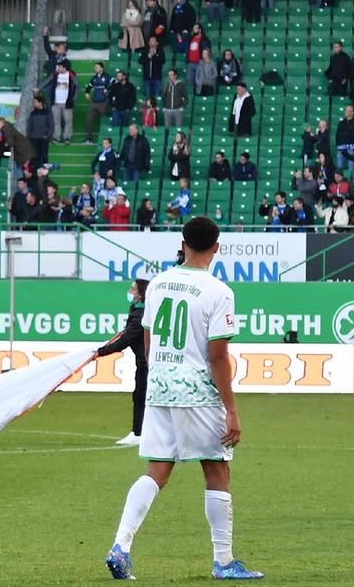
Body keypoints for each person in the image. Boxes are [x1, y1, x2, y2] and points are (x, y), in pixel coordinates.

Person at [104, 217, 262, 582]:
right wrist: (232, 410)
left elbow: (147, 340)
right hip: (197, 392)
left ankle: (120, 546)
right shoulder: (217, 290)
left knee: (156, 471)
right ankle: (223, 562)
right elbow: (218, 356)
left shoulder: (157, 283)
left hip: (160, 388)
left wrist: (160, 371)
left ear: (183, 242)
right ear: (217, 248)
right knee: (217, 469)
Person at [98, 277, 149, 446]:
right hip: (145, 362)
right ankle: (140, 431)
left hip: (147, 364)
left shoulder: (140, 316)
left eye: (133, 290)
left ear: (140, 295)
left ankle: (138, 433)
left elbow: (125, 340)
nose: (130, 292)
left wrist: (101, 352)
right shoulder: (139, 312)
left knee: (142, 396)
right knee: (141, 396)